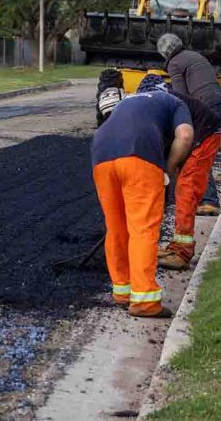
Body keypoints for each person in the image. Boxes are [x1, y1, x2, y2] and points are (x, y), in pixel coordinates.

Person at [91, 83, 194, 318]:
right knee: (143, 229)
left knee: (116, 227)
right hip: (139, 154)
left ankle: (123, 292)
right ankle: (145, 301)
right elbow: (185, 136)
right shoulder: (175, 103)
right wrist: (167, 168)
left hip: (100, 153)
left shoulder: (128, 102)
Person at [134, 75, 221, 271]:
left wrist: (169, 167)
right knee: (181, 190)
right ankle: (175, 245)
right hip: (194, 136)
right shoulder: (157, 107)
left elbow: (183, 138)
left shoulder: (172, 103)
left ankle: (182, 252)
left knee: (186, 190)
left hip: (204, 136)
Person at [157, 33, 221, 216]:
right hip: (218, 101)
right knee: (203, 150)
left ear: (164, 53)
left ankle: (209, 201)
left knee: (197, 151)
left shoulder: (174, 63)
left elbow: (181, 96)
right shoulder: (194, 56)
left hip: (205, 104)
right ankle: (200, 198)